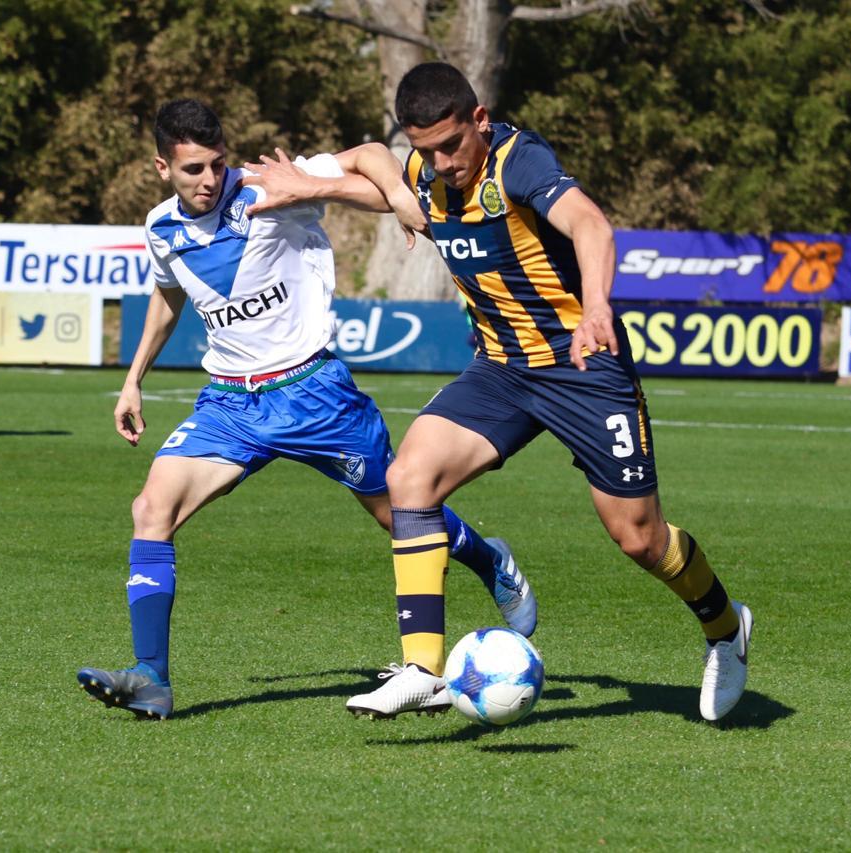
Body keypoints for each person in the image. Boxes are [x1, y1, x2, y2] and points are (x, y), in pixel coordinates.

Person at [245, 62, 752, 722]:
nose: (443, 162)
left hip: (583, 364)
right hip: (501, 370)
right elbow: (376, 163)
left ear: (479, 121)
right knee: (410, 478)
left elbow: (591, 225)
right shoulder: (424, 170)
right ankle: (423, 667)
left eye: (452, 145)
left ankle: (724, 627)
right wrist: (312, 183)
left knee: (639, 538)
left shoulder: (519, 159)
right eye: (425, 151)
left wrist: (597, 305)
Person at [76, 99, 536, 721]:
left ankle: (490, 558)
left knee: (401, 516)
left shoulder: (269, 186)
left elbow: (370, 155)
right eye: (192, 171)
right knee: (151, 508)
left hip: (316, 395)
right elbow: (167, 296)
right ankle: (152, 678)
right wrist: (133, 381)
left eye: (215, 164)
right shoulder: (163, 229)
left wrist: (403, 197)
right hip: (231, 403)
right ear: (163, 168)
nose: (209, 181)